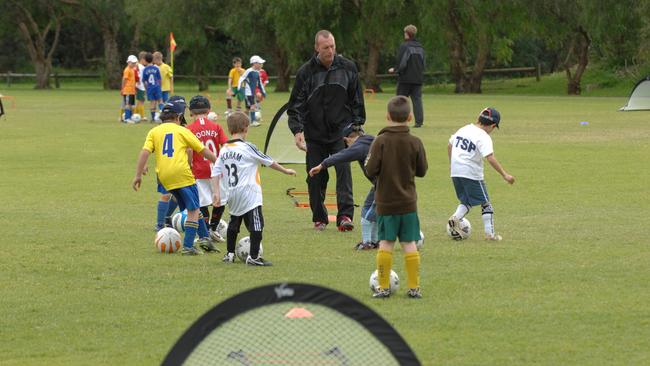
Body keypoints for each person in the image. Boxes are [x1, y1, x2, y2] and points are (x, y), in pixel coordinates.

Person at [287, 30, 366, 232]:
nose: (330, 51)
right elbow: (295, 106)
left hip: (342, 132)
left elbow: (357, 101)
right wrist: (297, 131)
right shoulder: (306, 72)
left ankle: (345, 216)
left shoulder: (348, 68)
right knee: (316, 177)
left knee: (344, 173)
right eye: (325, 48)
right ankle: (319, 218)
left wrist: (355, 129)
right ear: (317, 48)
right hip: (315, 134)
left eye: (332, 46)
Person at [132, 97, 218, 255]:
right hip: (182, 174)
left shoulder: (154, 131)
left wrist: (138, 175)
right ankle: (188, 246)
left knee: (192, 206)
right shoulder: (183, 131)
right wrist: (219, 162)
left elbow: (145, 152)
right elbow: (202, 150)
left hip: (164, 176)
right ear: (179, 117)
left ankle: (205, 237)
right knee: (193, 209)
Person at [210, 112, 296, 266]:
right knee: (257, 224)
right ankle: (254, 257)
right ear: (246, 128)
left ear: (229, 130)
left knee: (234, 223)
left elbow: (215, 172)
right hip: (249, 193)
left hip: (233, 193)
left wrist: (216, 192)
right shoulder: (248, 147)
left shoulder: (224, 149)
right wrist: (285, 170)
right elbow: (268, 161)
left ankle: (229, 254)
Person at [365, 96, 428, 299]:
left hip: (385, 202)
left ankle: (383, 287)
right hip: (408, 203)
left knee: (386, 243)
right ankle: (414, 288)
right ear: (410, 116)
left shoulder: (380, 141)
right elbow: (422, 170)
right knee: (409, 243)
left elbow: (370, 169)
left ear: (387, 116)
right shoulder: (415, 142)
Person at [447, 107, 515, 241]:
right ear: (493, 125)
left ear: (478, 118)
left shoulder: (464, 128)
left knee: (466, 201)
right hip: (471, 173)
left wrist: (452, 163)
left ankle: (455, 218)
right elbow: (490, 157)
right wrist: (504, 175)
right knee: (486, 204)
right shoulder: (484, 136)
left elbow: (450, 145)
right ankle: (490, 235)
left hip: (456, 172)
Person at [308, 123, 377, 250]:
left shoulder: (359, 146)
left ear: (346, 139)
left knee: (368, 213)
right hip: (387, 184)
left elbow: (342, 156)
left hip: (385, 185)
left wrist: (322, 165)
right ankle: (374, 240)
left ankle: (370, 242)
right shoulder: (372, 140)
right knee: (375, 209)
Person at [187, 95, 229, 243]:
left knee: (202, 202)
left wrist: (189, 163)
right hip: (216, 170)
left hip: (199, 171)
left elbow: (189, 150)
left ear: (191, 112)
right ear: (209, 110)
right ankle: (213, 228)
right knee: (220, 200)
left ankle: (204, 233)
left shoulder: (189, 128)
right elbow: (225, 145)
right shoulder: (216, 126)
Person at [388, 24, 425, 128]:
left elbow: (402, 62)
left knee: (399, 100)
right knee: (417, 100)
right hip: (418, 78)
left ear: (407, 34)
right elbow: (423, 63)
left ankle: (398, 120)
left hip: (405, 78)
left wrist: (395, 70)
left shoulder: (404, 46)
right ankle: (419, 122)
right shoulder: (420, 47)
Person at [237, 55, 266, 127]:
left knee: (247, 109)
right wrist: (239, 88)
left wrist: (263, 92)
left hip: (252, 93)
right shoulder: (249, 71)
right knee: (253, 106)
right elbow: (241, 78)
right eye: (259, 63)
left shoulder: (257, 72)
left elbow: (260, 84)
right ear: (254, 63)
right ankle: (253, 121)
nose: (261, 65)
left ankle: (239, 120)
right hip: (248, 93)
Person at [142, 52, 163, 122]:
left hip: (150, 88)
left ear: (145, 60)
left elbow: (144, 81)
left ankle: (153, 118)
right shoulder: (156, 68)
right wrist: (160, 87)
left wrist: (146, 88)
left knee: (152, 102)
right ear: (152, 59)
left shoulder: (145, 70)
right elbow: (159, 79)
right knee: (160, 101)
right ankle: (163, 115)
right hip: (157, 87)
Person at [120, 55, 138, 123]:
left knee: (130, 105)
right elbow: (124, 79)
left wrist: (134, 89)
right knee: (127, 104)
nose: (133, 64)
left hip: (132, 91)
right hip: (127, 90)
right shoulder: (127, 70)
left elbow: (133, 81)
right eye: (132, 63)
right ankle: (127, 118)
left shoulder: (132, 70)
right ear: (128, 62)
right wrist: (122, 88)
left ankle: (129, 117)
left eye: (134, 63)